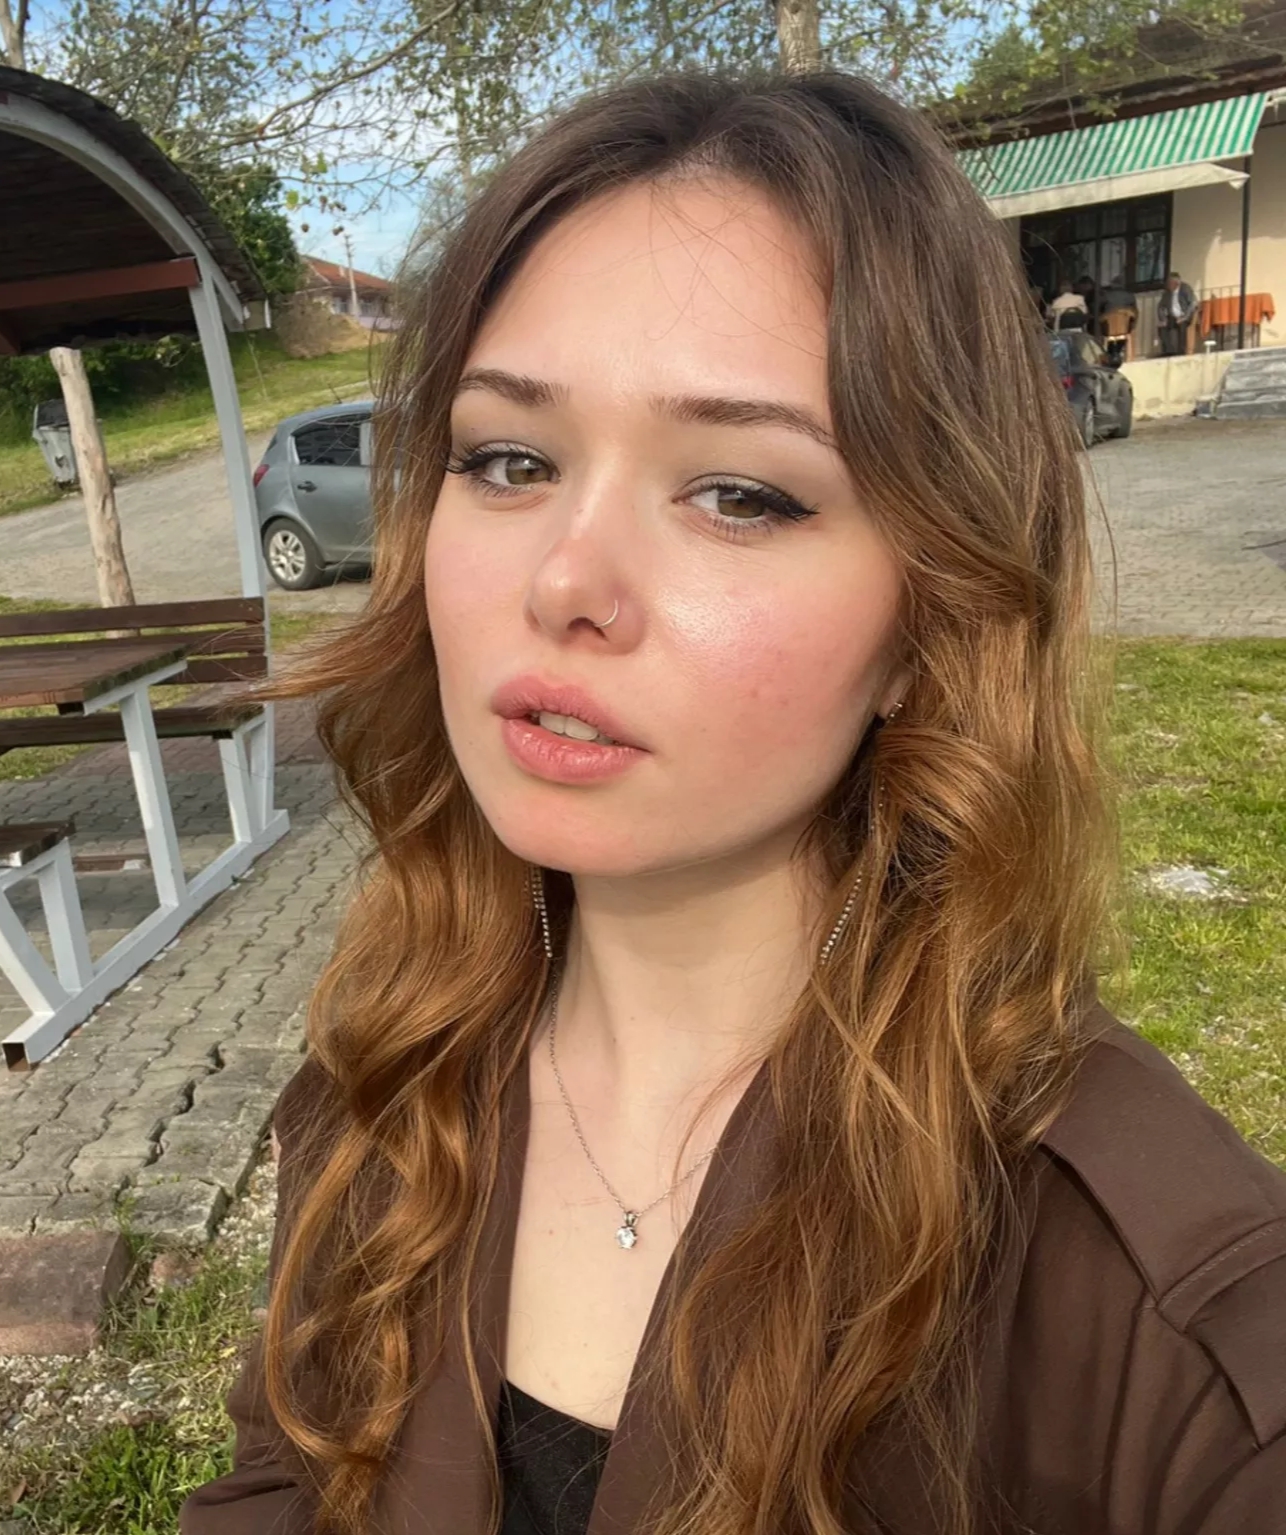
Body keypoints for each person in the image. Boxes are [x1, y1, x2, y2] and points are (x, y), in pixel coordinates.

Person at [181, 71, 1286, 1535]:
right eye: (508, 459)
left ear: (932, 615)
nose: (563, 581)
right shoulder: (384, 1075)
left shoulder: (1160, 1318)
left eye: (740, 493)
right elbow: (284, 1480)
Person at [1159, 270, 1198, 355]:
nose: (1169, 285)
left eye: (1171, 283)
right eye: (1168, 283)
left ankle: (1181, 351)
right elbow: (1161, 307)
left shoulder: (1185, 288)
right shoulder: (1167, 293)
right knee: (1162, 328)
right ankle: (1168, 351)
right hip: (1172, 316)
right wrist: (1163, 319)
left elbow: (1193, 303)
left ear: (1176, 283)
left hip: (1184, 316)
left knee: (1182, 326)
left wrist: (1185, 317)